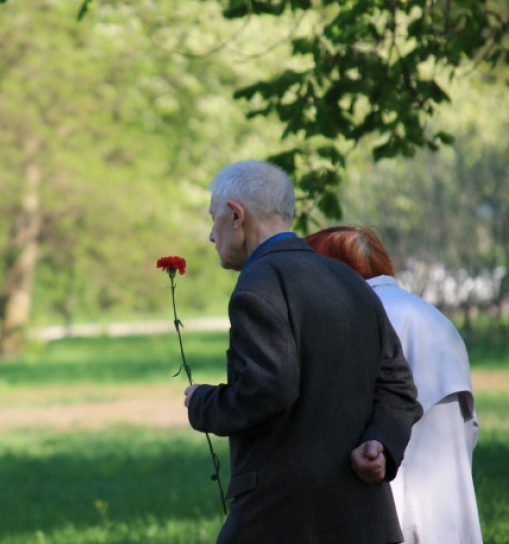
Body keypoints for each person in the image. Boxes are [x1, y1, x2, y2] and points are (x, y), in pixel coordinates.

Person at [183, 160, 423, 543]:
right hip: (365, 521)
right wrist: (381, 442)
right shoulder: (350, 280)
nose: (212, 235)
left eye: (214, 219)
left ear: (235, 215)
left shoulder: (258, 284)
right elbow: (398, 386)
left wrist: (202, 403)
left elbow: (268, 388)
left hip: (282, 518)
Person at [305, 225, 483, 544]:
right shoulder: (431, 315)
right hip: (449, 504)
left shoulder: (358, 316)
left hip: (386, 507)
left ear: (334, 271)